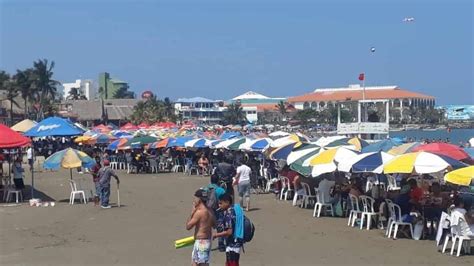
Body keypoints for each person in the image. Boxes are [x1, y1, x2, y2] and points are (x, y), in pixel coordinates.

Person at [186, 189, 215, 266]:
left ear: (199, 199)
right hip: (205, 241)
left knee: (202, 264)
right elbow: (214, 225)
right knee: (194, 263)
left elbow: (188, 226)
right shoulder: (210, 210)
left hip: (201, 242)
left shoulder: (199, 212)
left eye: (195, 198)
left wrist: (192, 213)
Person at [213, 193, 243, 266]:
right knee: (233, 263)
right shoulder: (236, 209)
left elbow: (229, 232)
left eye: (221, 203)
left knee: (231, 263)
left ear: (227, 202)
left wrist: (216, 235)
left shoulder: (228, 214)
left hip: (232, 244)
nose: (219, 205)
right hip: (238, 241)